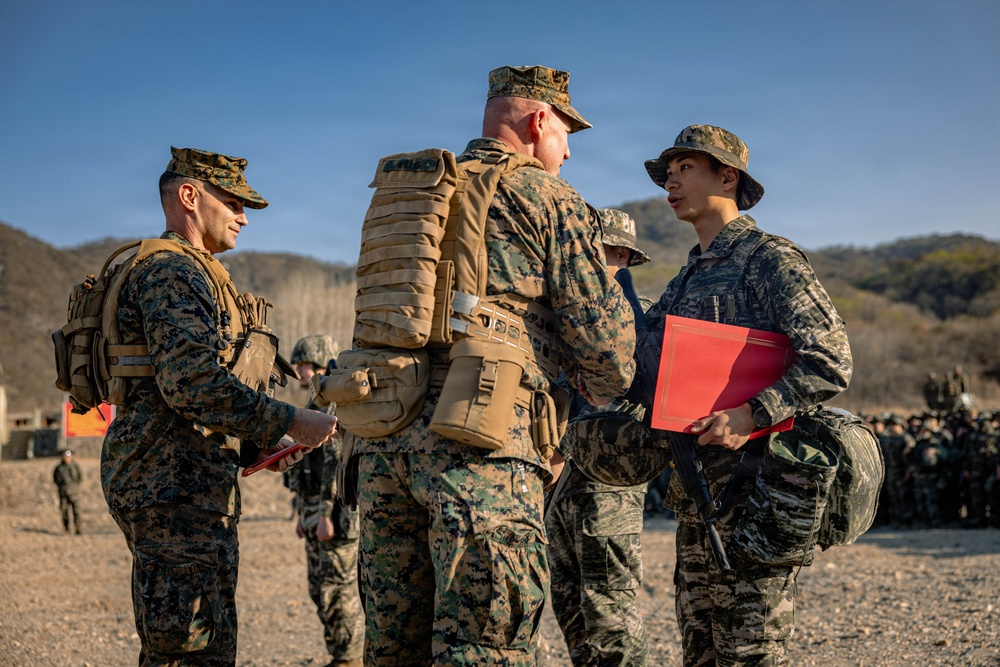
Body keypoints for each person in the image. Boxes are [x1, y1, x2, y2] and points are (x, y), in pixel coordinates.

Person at [350, 65, 636, 665]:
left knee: (393, 647)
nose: (564, 153)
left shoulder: (419, 191)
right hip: (482, 439)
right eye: (565, 135)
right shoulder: (548, 197)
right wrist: (610, 383)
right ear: (538, 122)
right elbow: (606, 349)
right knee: (486, 646)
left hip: (384, 437)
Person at [101, 147, 339, 666]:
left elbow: (193, 393)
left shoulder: (198, 272)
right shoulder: (171, 272)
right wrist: (292, 419)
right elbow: (191, 384)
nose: (243, 215)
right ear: (190, 196)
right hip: (171, 489)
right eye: (231, 200)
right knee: (188, 654)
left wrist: (263, 441)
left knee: (198, 647)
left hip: (186, 485)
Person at [642, 125, 853, 665]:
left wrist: (753, 413)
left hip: (757, 497)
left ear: (727, 175)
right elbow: (646, 358)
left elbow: (830, 359)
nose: (671, 180)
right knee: (702, 654)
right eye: (668, 172)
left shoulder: (768, 259)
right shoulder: (686, 277)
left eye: (684, 168)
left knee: (749, 655)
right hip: (697, 500)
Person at [545, 208, 651, 667]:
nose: (587, 260)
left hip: (609, 479)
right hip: (561, 470)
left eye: (601, 251)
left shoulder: (633, 316)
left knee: (609, 610)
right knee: (569, 605)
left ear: (623, 253)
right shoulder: (563, 313)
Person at [286, 334, 364, 667]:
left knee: (337, 593)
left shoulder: (334, 410)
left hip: (334, 518)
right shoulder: (313, 408)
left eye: (308, 365)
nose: (302, 372)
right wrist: (304, 514)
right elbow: (306, 470)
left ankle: (348, 659)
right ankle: (340, 656)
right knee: (320, 590)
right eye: (300, 365)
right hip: (315, 516)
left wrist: (327, 515)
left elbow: (335, 467)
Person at [53, 449, 83, 534]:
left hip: (74, 493)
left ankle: (78, 528)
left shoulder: (75, 466)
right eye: (65, 456)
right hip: (63, 493)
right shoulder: (59, 468)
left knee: (77, 511)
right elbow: (56, 480)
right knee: (64, 511)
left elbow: (79, 478)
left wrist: (74, 487)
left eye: (68, 456)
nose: (66, 458)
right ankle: (66, 529)